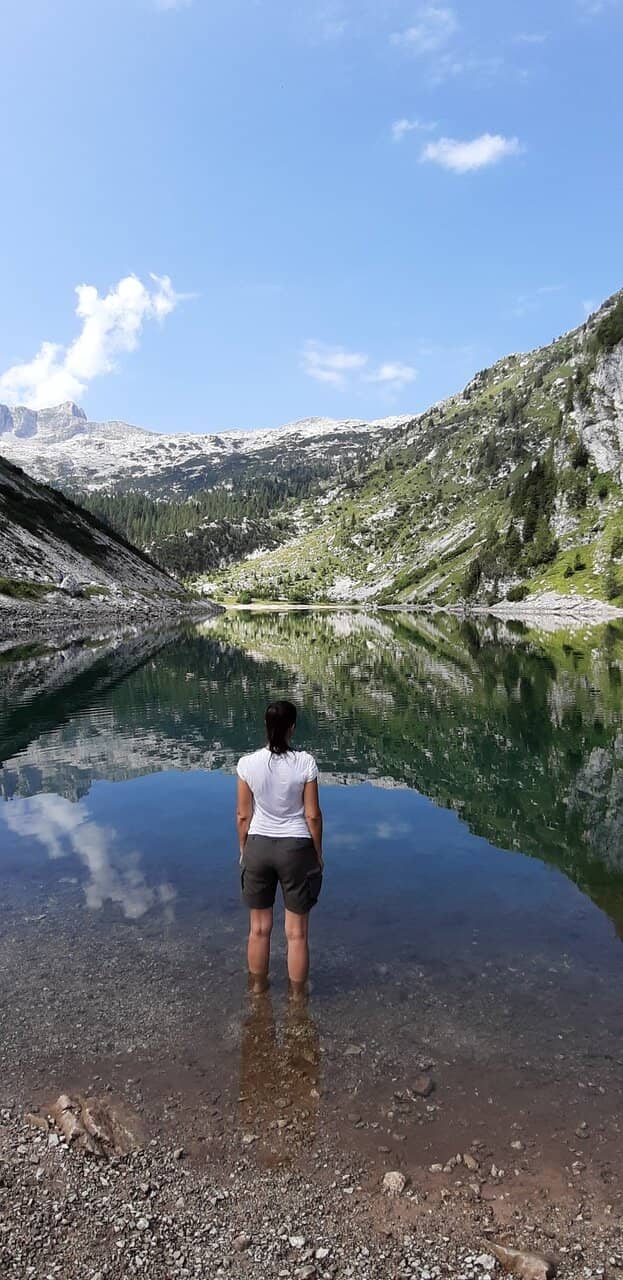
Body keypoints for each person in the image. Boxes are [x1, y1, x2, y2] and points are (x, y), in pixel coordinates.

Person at [236, 699, 323, 994]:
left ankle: (258, 990)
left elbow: (243, 815)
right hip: (296, 849)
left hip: (258, 847)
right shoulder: (306, 763)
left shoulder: (247, 764)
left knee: (259, 929)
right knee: (296, 934)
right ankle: (298, 999)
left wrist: (243, 850)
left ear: (266, 726)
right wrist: (318, 853)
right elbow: (312, 815)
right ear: (292, 728)